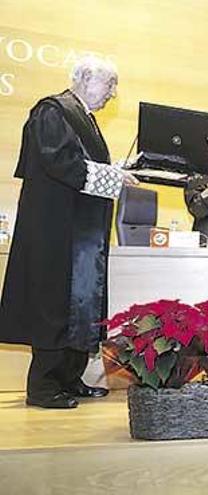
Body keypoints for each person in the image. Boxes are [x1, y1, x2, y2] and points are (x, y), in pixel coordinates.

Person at [0, 55, 138, 409]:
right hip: (55, 232)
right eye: (109, 84)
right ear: (85, 78)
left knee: (80, 304)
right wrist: (113, 176)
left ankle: (69, 378)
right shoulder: (52, 111)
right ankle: (44, 388)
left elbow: (84, 166)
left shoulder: (83, 119)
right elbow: (62, 163)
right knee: (53, 304)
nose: (113, 93)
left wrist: (116, 171)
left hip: (80, 234)